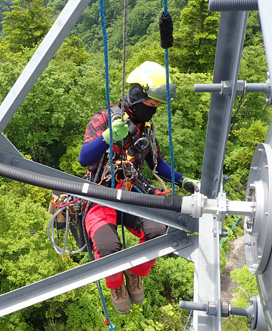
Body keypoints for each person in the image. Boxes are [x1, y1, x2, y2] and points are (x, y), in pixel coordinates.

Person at [78, 61, 198, 314]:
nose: (153, 111)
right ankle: (115, 284)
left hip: (131, 192)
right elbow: (84, 158)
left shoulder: (145, 127)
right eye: (151, 105)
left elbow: (156, 163)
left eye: (156, 107)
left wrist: (184, 180)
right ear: (138, 96)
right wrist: (106, 138)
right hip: (101, 194)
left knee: (158, 231)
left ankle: (136, 274)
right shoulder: (104, 119)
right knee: (109, 247)